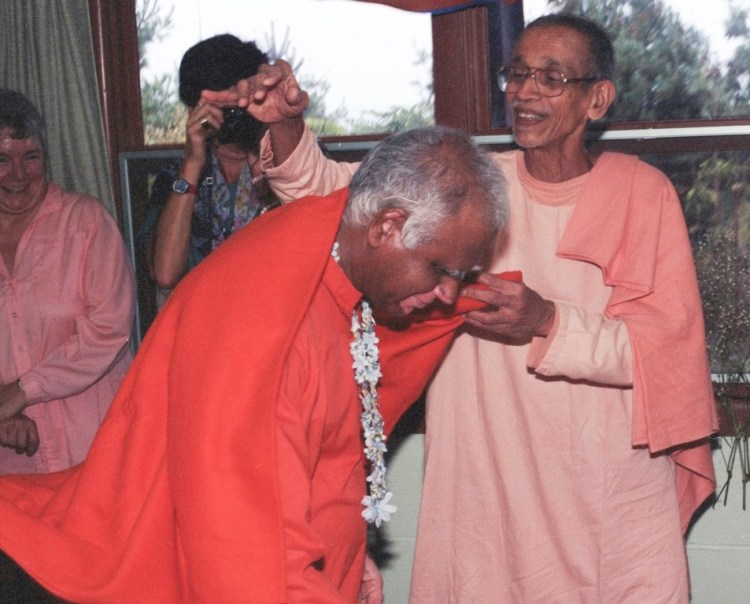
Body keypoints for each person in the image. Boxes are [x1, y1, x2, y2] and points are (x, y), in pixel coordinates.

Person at [218, 12, 718, 602]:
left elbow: (665, 354)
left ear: (598, 99)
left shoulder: (642, 194)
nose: (525, 92)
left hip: (604, 489)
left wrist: (547, 321)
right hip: (486, 479)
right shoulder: (475, 187)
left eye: (551, 78)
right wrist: (287, 125)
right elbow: (343, 203)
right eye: (517, 73)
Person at [0, 125, 509, 603]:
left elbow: (319, 458)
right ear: (387, 225)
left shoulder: (327, 246)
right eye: (441, 269)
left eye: (461, 276)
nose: (448, 293)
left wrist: (348, 555)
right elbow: (243, 550)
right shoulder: (267, 325)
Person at [0, 89, 134, 475]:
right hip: (15, 463)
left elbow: (108, 332)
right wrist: (5, 411)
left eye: (31, 156)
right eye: (2, 159)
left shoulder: (86, 223)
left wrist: (21, 391)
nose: (18, 174)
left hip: (93, 447)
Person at [139, 34, 279, 306]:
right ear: (196, 110)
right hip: (201, 317)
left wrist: (261, 156)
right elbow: (165, 274)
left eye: (242, 105)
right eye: (225, 109)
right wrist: (192, 163)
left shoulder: (291, 161)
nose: (236, 117)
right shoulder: (176, 176)